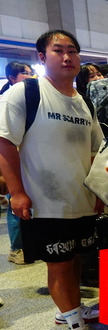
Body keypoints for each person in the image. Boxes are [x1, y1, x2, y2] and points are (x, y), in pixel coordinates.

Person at [0, 30, 103, 330]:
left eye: (72, 50)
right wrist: (16, 192)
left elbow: (94, 150)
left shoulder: (84, 101)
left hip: (81, 198)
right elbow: (4, 142)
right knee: (58, 264)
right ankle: (76, 328)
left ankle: (70, 309)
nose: (67, 57)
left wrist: (98, 191)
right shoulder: (25, 92)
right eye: (58, 51)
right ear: (42, 58)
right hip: (44, 201)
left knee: (74, 259)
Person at [0, 61, 34, 265]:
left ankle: (29, 245)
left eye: (30, 73)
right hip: (12, 162)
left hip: (29, 161)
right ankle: (17, 248)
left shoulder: (30, 98)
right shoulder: (6, 100)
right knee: (16, 205)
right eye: (24, 73)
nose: (29, 76)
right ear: (12, 78)